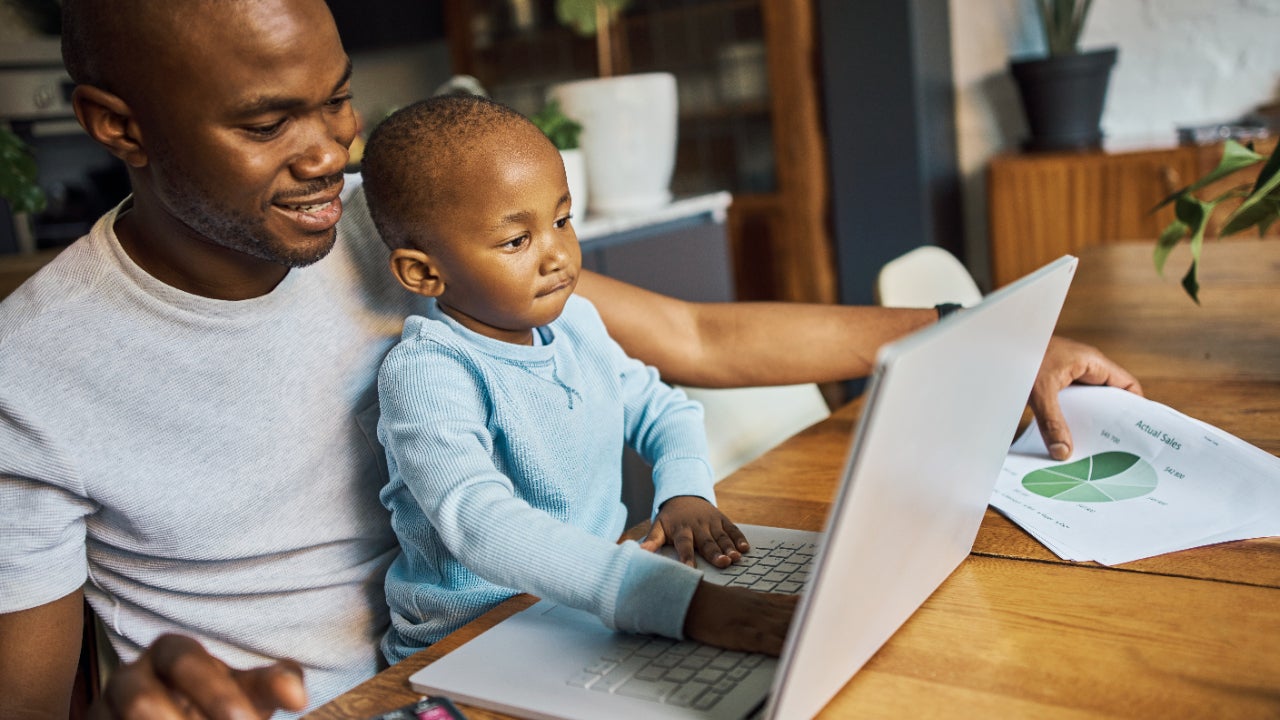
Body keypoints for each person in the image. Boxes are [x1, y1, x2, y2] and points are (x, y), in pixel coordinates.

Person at [0, 0, 1142, 718]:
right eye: (265, 125)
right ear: (119, 124)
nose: (329, 153)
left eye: (338, 100)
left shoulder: (383, 222)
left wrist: (985, 341)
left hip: (547, 634)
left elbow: (688, 340)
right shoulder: (32, 373)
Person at [360, 94, 797, 664]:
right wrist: (679, 603)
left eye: (562, 220)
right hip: (474, 643)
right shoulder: (428, 373)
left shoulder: (578, 323)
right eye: (517, 241)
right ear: (424, 272)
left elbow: (666, 411)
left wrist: (685, 491)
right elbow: (479, 522)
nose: (557, 255)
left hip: (593, 607)